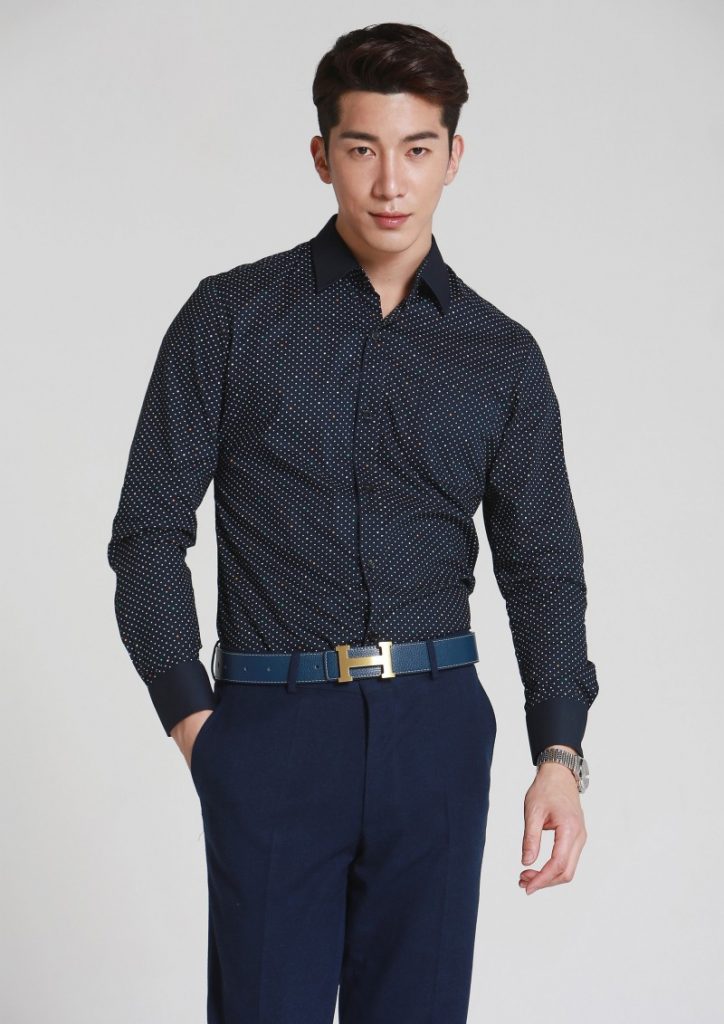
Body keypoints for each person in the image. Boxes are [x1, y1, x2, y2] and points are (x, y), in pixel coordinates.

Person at [107, 21, 599, 1024]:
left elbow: (542, 563)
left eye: (416, 149)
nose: (389, 182)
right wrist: (195, 722)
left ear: (453, 157)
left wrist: (559, 752)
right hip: (271, 730)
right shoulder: (231, 319)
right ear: (321, 154)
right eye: (363, 148)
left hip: (436, 730)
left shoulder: (500, 356)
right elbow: (148, 526)